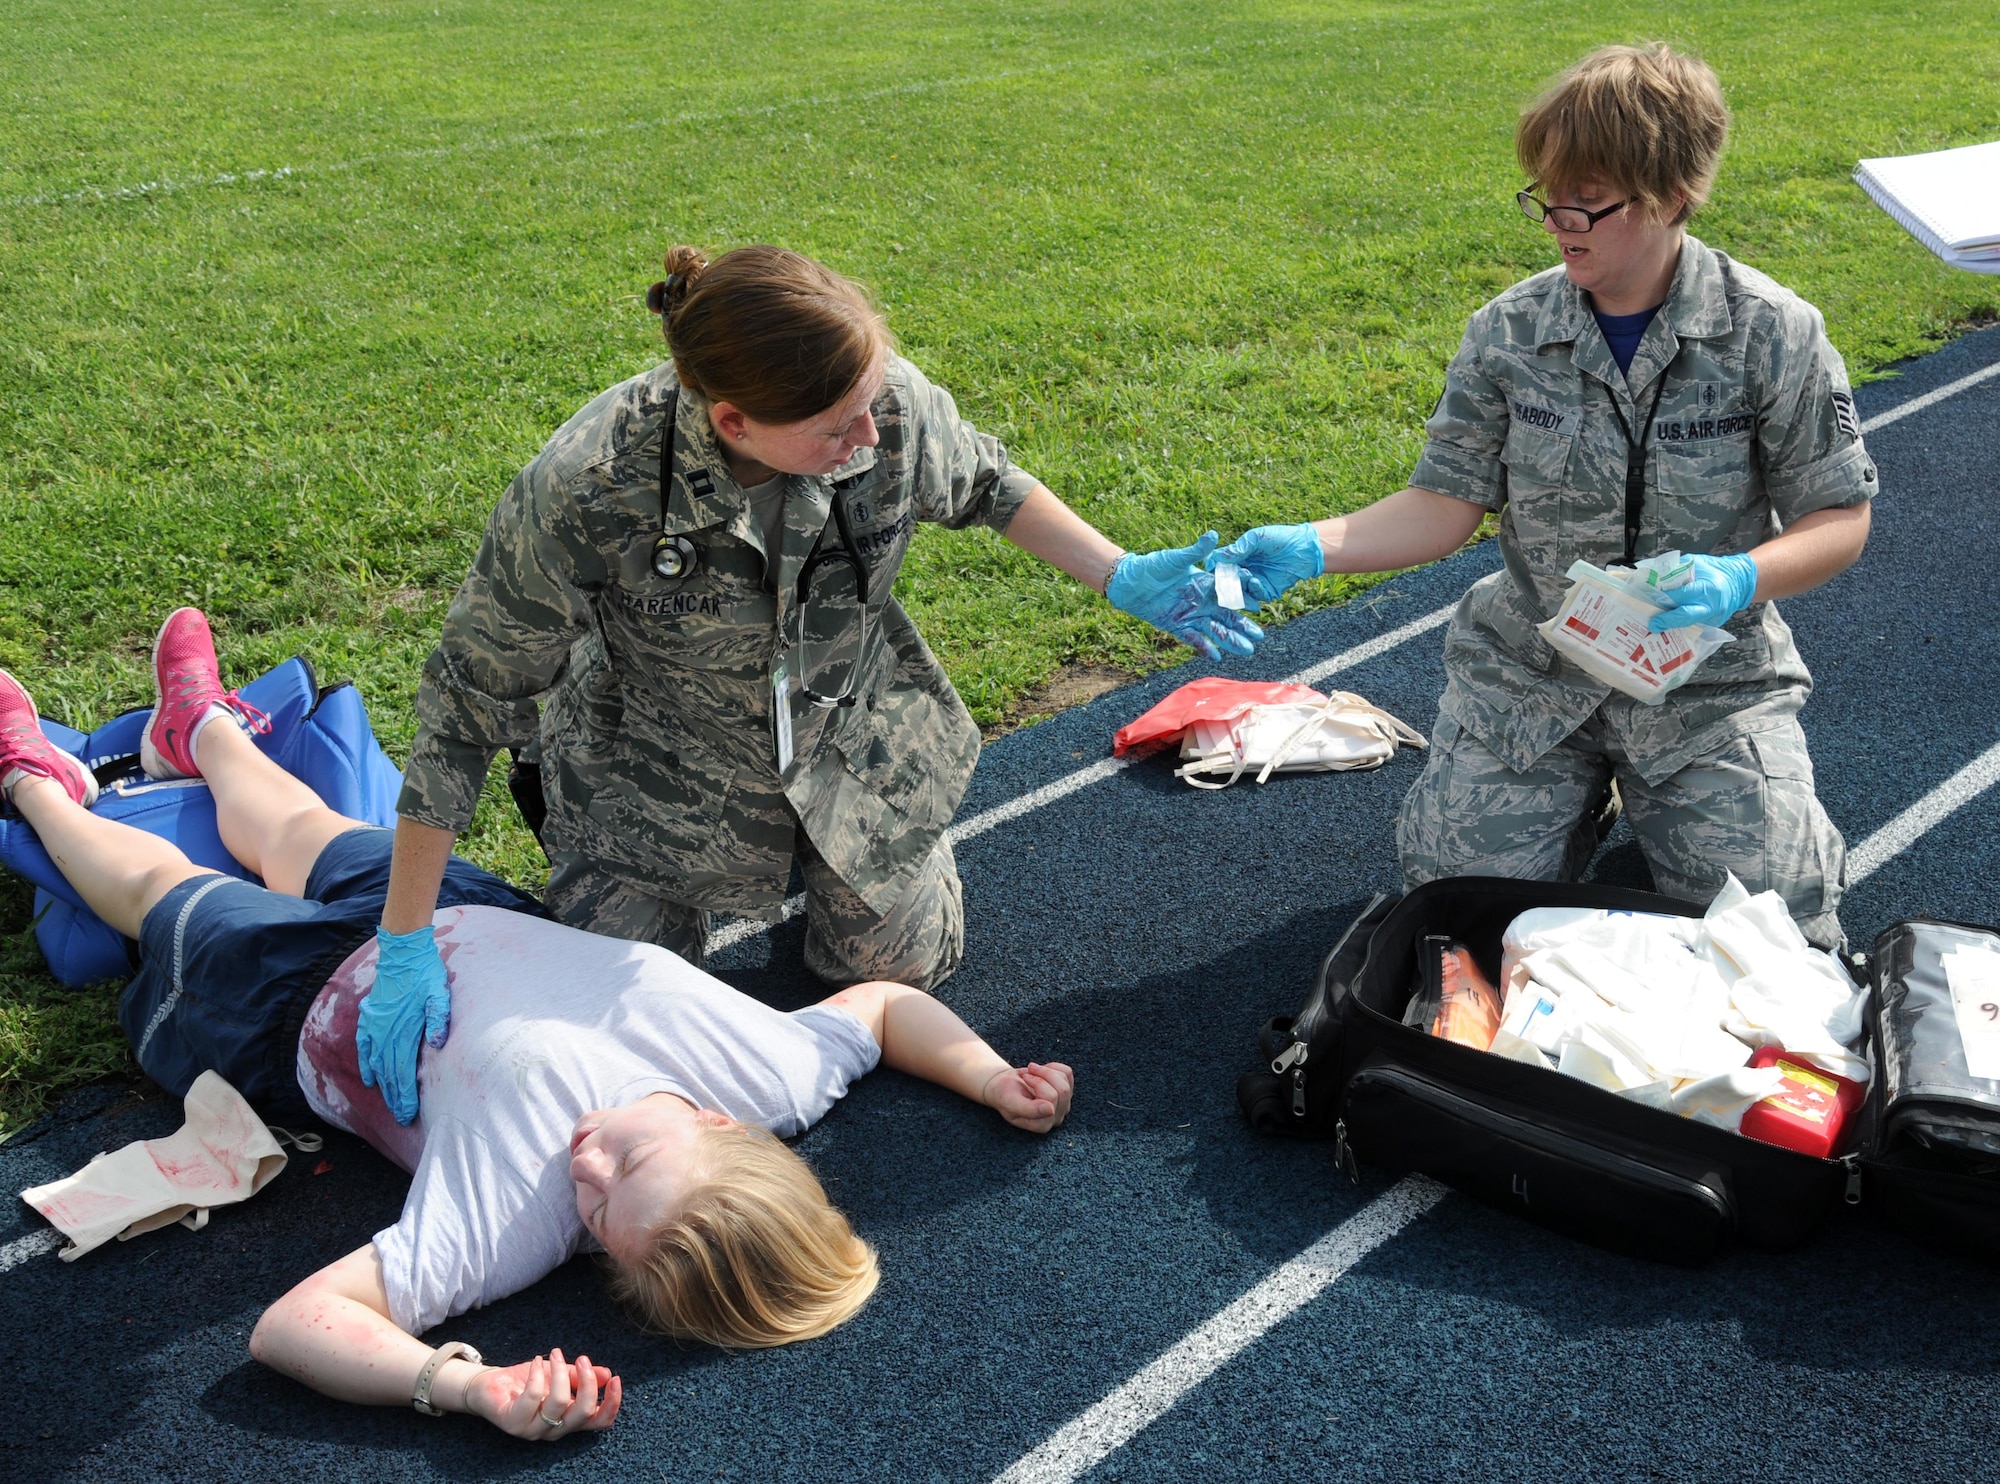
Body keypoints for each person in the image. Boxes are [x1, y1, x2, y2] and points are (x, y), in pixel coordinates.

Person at [0, 612, 1073, 1442]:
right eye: (630, 1157)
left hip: (291, 1008)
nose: (585, 1161)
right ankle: (202, 731)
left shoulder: (514, 1217)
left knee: (155, 885)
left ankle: (35, 787)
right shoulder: (774, 1076)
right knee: (300, 825)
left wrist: (465, 1384)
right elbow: (884, 1007)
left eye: (599, 1216)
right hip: (440, 913)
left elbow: (286, 1328)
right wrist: (985, 1077)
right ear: (716, 1119)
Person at [326, 244, 1247, 1125]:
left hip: (851, 750)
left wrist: (1120, 573)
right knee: (623, 1049)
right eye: (837, 427)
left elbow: (985, 483)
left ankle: (889, 869)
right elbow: (465, 704)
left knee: (896, 977)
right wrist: (406, 938)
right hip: (652, 783)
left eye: (872, 404)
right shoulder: (590, 485)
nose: (867, 437)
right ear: (734, 422)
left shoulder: (878, 400)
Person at [1211, 43, 1871, 951]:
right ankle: (1582, 807)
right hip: (1533, 676)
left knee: (1775, 928)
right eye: (1546, 195)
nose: (1560, 222)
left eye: (1587, 201)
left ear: (1672, 195)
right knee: (1451, 908)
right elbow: (1443, 507)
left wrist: (1737, 577)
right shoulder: (1511, 330)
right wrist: (1314, 543)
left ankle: (1656, 801)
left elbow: (1840, 518)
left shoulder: (1771, 333)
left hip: (1705, 686)